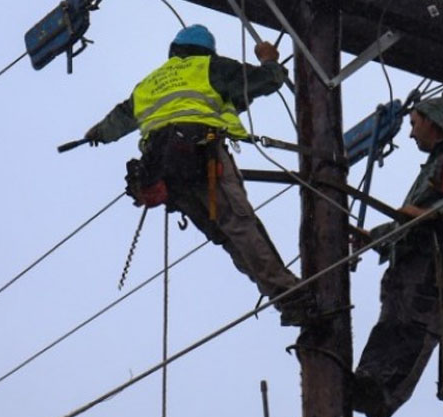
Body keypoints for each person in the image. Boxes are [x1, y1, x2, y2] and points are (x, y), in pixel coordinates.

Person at [83, 24, 312, 325]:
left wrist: (97, 133)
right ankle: (291, 297)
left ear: (174, 50)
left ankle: (285, 299)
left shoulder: (148, 84)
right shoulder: (210, 67)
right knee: (240, 225)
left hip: (167, 173)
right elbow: (266, 81)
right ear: (207, 50)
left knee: (227, 237)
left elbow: (120, 118)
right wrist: (269, 60)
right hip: (203, 157)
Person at [351, 92, 443, 417]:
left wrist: (431, 214)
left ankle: (385, 396)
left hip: (437, 262)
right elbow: (413, 217)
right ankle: (366, 382)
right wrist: (374, 236)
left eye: (414, 124)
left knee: (415, 330)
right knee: (390, 326)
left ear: (434, 121)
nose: (411, 132)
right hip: (411, 264)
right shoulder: (435, 163)